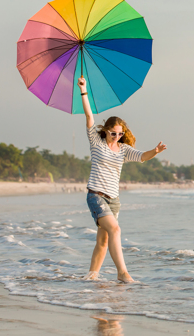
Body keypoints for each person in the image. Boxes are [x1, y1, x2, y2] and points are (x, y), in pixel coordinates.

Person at [78, 77, 166, 283]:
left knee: (104, 239)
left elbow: (141, 156)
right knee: (115, 229)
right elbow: (89, 116)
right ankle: (122, 273)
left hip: (114, 200)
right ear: (105, 130)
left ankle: (91, 276)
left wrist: (155, 151)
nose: (116, 136)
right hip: (96, 195)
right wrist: (84, 90)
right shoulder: (96, 141)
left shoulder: (124, 149)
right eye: (113, 133)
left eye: (120, 133)